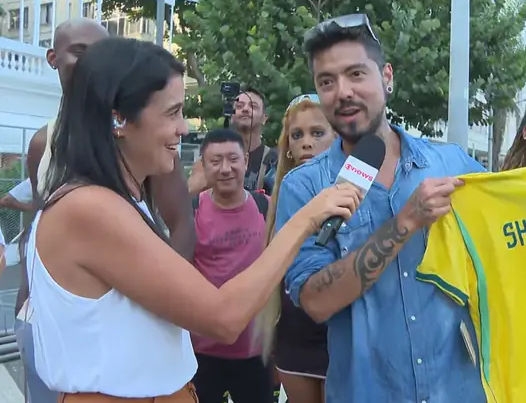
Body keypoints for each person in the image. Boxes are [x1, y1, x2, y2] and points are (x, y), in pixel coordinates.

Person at [274, 14, 526, 403]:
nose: (342, 92)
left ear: (387, 77)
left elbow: (521, 220)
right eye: (326, 81)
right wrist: (405, 222)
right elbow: (315, 301)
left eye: (356, 74)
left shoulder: (451, 164)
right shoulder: (304, 188)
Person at [23, 37, 361, 402]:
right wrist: (307, 218)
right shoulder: (89, 209)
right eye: (172, 113)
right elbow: (224, 317)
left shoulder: (114, 202)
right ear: (118, 118)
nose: (184, 128)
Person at [17, 18, 193, 403]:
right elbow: (40, 223)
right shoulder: (43, 143)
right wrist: (33, 297)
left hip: (129, 345)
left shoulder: (145, 142)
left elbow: (181, 222)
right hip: (50, 326)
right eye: (80, 52)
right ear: (53, 58)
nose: (91, 62)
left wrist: (171, 296)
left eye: (101, 52)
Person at [257, 94, 337, 403]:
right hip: (294, 336)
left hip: (342, 334)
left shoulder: (360, 194)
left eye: (317, 133)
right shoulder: (281, 198)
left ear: (337, 137)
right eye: (297, 135)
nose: (306, 143)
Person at [191, 129, 275, 403]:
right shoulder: (191, 211)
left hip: (255, 351)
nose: (225, 169)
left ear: (246, 161)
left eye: (233, 159)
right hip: (202, 351)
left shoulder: (267, 208)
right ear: (204, 165)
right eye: (215, 161)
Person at [188, 88, 278, 196]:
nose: (245, 109)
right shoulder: (210, 158)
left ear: (264, 118)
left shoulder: (274, 160)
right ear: (231, 115)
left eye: (253, 106)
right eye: (239, 106)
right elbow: (189, 196)